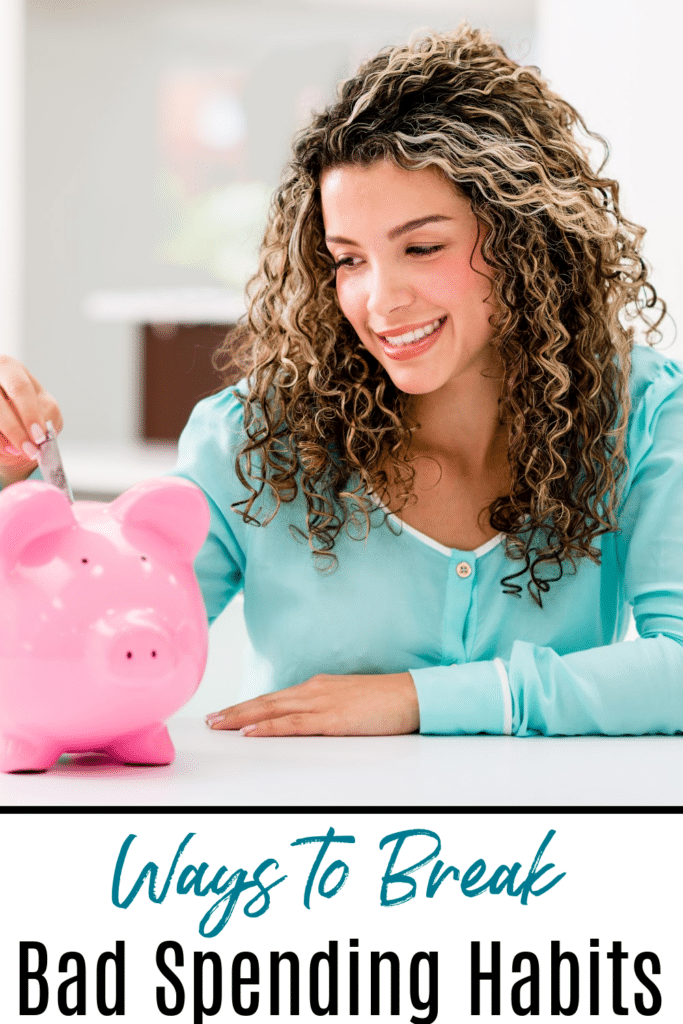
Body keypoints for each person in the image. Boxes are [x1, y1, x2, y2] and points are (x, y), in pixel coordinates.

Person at [2, 23, 683, 739]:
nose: (379, 301)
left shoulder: (639, 412)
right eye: (348, 260)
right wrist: (14, 487)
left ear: (526, 241)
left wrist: (418, 700)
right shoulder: (252, 437)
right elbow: (83, 641)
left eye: (422, 247)